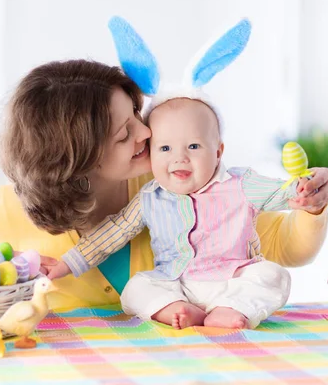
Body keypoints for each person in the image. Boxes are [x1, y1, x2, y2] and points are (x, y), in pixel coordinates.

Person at [0, 20, 328, 315]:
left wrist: (312, 205)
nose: (147, 132)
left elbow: (288, 249)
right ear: (76, 162)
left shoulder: (179, 177)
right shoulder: (8, 212)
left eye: (137, 114)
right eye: (125, 134)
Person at [49, 95, 305, 329]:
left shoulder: (240, 183)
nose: (179, 158)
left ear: (218, 151)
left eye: (193, 146)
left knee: (273, 275)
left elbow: (281, 191)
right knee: (136, 288)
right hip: (176, 283)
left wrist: (307, 188)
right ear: (149, 153)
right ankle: (174, 309)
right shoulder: (150, 197)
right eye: (165, 149)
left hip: (233, 279)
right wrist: (65, 264)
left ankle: (231, 310)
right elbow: (112, 234)